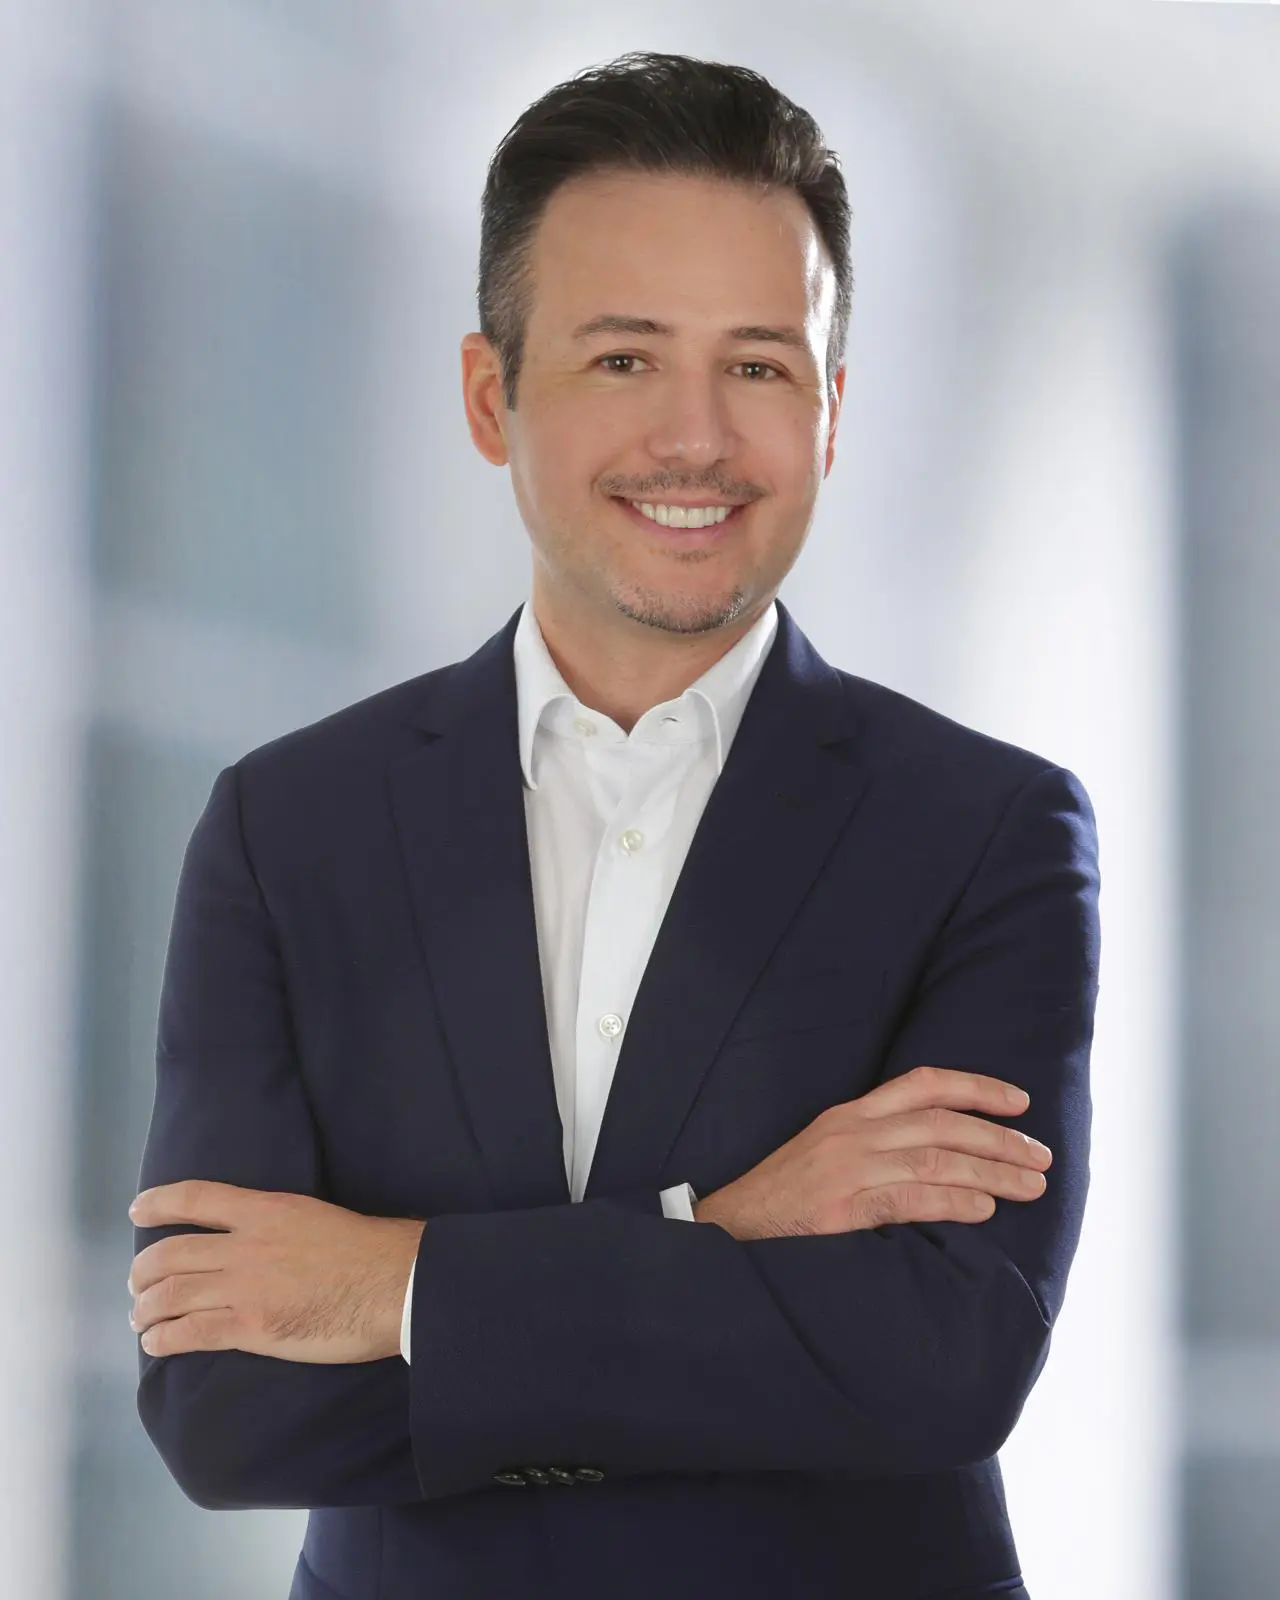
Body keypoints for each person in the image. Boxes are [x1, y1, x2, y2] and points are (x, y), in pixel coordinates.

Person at [128, 50, 1100, 1600]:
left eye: (761, 367)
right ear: (490, 395)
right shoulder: (288, 828)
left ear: (833, 413)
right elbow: (227, 1406)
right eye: (626, 359)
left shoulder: (990, 831)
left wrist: (396, 1289)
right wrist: (721, 1228)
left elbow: (939, 1363)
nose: (697, 438)